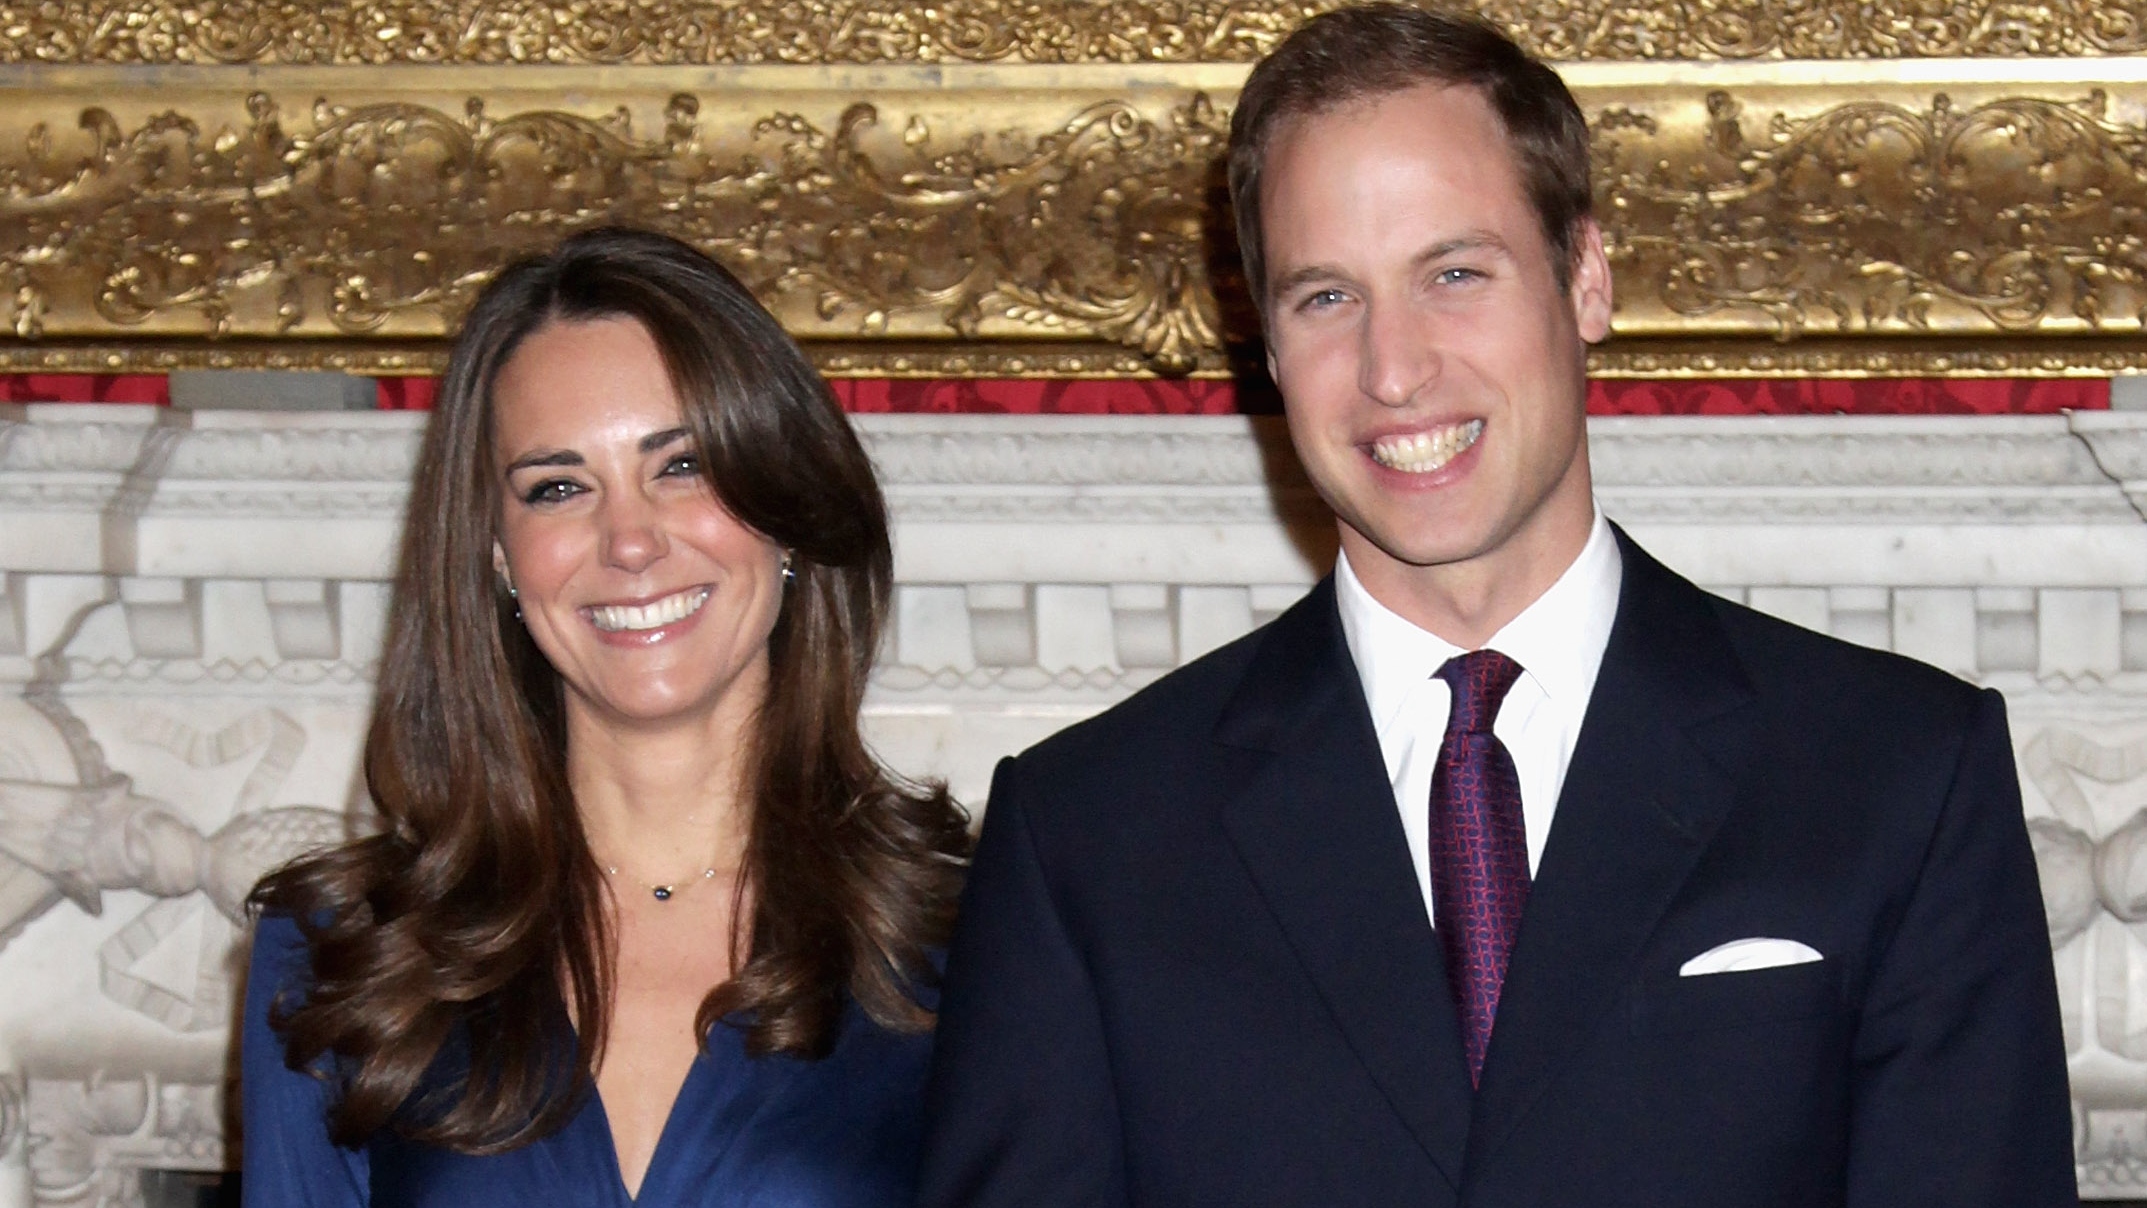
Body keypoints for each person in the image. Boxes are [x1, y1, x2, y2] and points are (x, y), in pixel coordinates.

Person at [917, 6, 2076, 1206]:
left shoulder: (1896, 774)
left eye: (1453, 274)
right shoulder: (1086, 837)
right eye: (1326, 297)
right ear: (1264, 342)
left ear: (1584, 280)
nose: (1392, 369)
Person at [242, 227, 971, 1207]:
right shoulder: (344, 950)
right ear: (497, 554)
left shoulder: (972, 936)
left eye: (682, 465)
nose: (629, 540)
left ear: (784, 509)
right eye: (557, 487)